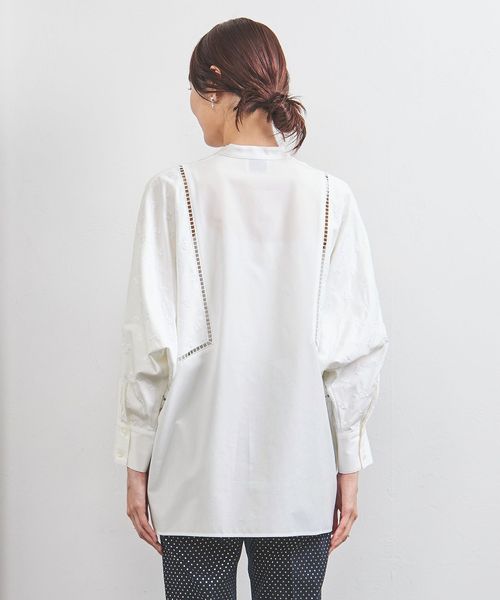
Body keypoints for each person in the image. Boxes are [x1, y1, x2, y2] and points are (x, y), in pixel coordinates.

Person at [113, 16, 389, 600]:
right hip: (299, 476)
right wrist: (348, 465)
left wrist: (136, 461)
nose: (191, 106)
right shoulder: (330, 198)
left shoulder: (173, 192)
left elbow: (149, 342)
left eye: (193, 90)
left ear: (215, 84)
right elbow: (355, 351)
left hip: (193, 476)